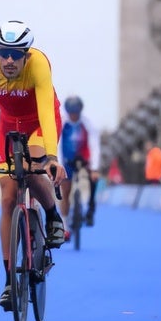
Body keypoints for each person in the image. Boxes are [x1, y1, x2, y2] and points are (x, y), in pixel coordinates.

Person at [0, 20, 66, 311]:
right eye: (4, 53)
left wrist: (50, 156)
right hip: (9, 127)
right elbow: (0, 101)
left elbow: (46, 114)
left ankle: (52, 216)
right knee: (8, 197)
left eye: (16, 54)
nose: (9, 60)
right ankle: (10, 280)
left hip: (40, 122)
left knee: (33, 165)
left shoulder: (38, 65)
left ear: (27, 54)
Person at [59, 96, 101, 241]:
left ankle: (90, 208)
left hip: (84, 159)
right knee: (65, 192)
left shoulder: (87, 123)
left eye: (76, 113)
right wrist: (59, 165)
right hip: (66, 160)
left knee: (94, 176)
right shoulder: (62, 123)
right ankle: (65, 226)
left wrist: (94, 168)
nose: (74, 116)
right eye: (71, 113)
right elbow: (57, 145)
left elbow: (94, 146)